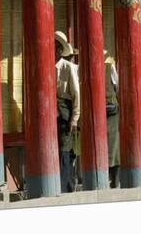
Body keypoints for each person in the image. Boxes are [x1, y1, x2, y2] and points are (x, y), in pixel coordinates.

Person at [55, 31, 80, 193]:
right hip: (50, 113)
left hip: (65, 112)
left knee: (65, 149)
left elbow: (76, 94)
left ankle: (65, 187)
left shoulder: (68, 67)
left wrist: (74, 118)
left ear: (58, 49)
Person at [104, 50, 120, 188]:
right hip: (111, 107)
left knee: (113, 145)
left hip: (109, 110)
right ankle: (112, 179)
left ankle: (113, 178)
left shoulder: (110, 67)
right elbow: (117, 86)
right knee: (112, 144)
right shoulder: (109, 67)